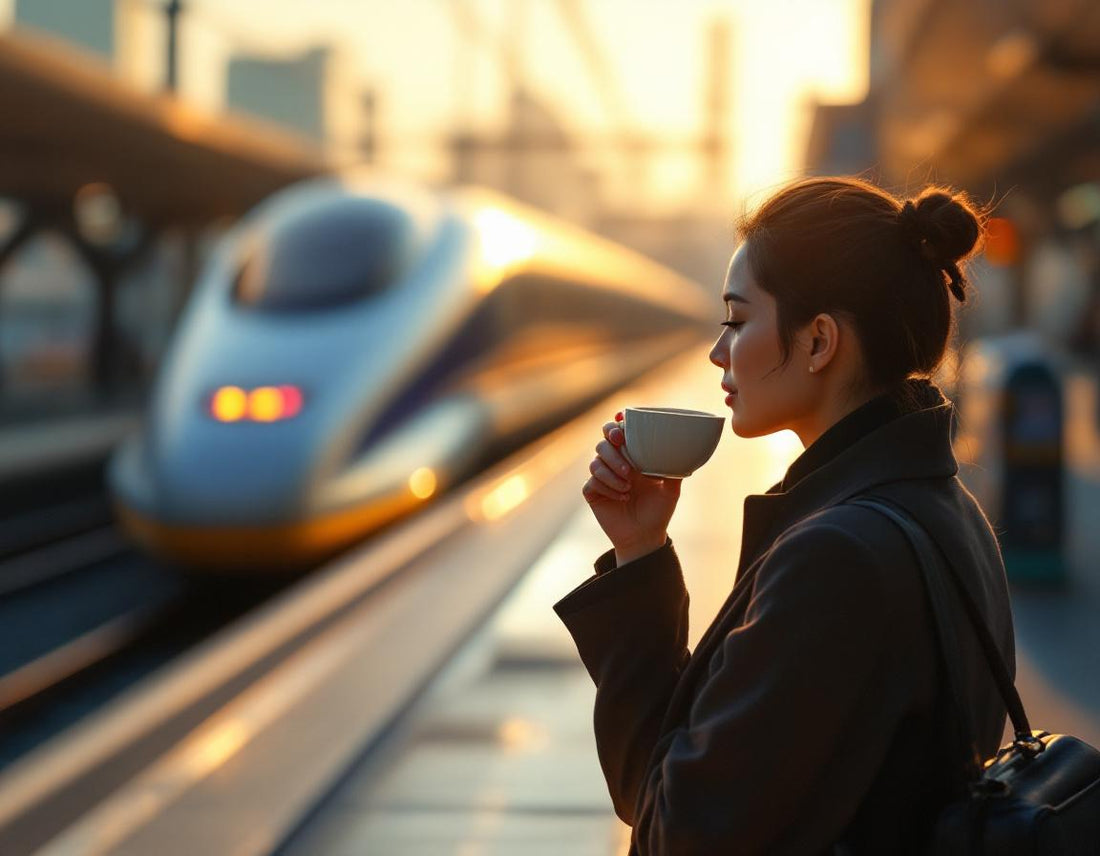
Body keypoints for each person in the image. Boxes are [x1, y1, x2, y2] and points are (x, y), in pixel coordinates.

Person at [552, 176, 1016, 855]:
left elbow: (675, 836)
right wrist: (640, 550)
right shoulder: (946, 511)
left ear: (819, 341)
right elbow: (665, 795)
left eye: (737, 321)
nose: (718, 352)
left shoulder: (837, 558)